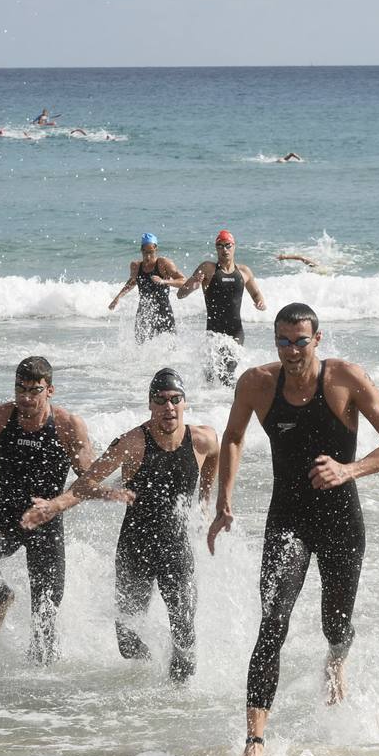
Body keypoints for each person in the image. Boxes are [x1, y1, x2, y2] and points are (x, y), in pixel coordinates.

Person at [207, 302, 379, 756]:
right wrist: (225, 501)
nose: (292, 350)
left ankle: (337, 659)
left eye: (301, 340)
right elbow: (232, 437)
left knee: (334, 626)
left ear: (317, 339)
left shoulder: (345, 379)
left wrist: (348, 469)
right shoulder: (257, 383)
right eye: (283, 341)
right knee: (272, 621)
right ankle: (255, 741)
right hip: (288, 520)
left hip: (341, 522)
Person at [22, 368, 219, 680]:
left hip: (176, 548)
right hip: (135, 549)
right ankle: (151, 668)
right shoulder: (132, 443)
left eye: (175, 400)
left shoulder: (203, 439)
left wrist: (206, 504)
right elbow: (86, 483)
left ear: (184, 403)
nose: (168, 407)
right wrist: (55, 506)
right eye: (160, 401)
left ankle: (176, 703)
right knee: (127, 643)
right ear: (150, 405)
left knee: (184, 628)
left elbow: (216, 457)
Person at [0, 356, 93, 664]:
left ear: (50, 390)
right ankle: (3, 597)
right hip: (6, 516)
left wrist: (60, 503)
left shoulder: (68, 425)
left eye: (34, 391)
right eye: (20, 389)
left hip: (47, 525)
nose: (25, 398)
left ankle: (40, 695)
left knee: (46, 610)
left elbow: (87, 481)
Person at [178, 230, 266, 385]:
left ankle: (231, 405)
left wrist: (260, 303)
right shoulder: (207, 268)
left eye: (227, 245)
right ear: (216, 248)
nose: (224, 249)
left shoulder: (244, 271)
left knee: (227, 375)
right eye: (220, 246)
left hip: (236, 333)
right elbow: (181, 294)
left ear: (234, 246)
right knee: (209, 378)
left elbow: (256, 293)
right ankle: (209, 407)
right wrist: (194, 285)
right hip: (213, 334)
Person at [109, 233, 189, 344]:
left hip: (163, 311)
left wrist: (164, 281)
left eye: (151, 252)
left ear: (156, 248)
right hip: (144, 311)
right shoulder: (136, 266)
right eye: (145, 252)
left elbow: (184, 281)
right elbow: (132, 282)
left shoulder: (163, 263)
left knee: (171, 346)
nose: (148, 257)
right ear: (141, 250)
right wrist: (118, 297)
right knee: (140, 345)